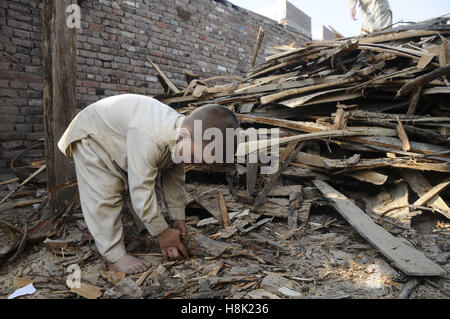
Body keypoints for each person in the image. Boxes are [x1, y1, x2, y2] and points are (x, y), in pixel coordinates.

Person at [58, 94, 240, 274]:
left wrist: (178, 218)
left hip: (120, 140)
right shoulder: (152, 135)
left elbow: (174, 181)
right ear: (185, 135)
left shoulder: (179, 136)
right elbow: (141, 191)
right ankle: (114, 257)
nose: (197, 165)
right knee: (105, 195)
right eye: (197, 158)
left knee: (149, 187)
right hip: (94, 137)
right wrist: (162, 233)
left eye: (204, 164)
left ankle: (146, 230)